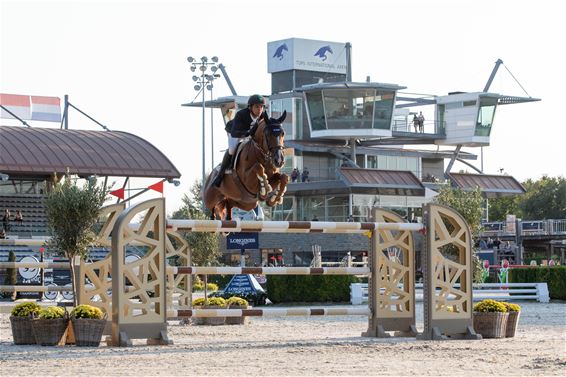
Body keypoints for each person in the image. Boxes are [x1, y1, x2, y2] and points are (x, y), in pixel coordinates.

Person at [212, 94, 269, 187]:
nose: (259, 109)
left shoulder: (263, 116)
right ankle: (220, 175)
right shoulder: (241, 114)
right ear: (250, 107)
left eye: (261, 107)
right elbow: (235, 133)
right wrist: (248, 133)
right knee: (232, 149)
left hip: (250, 135)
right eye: (257, 107)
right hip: (235, 133)